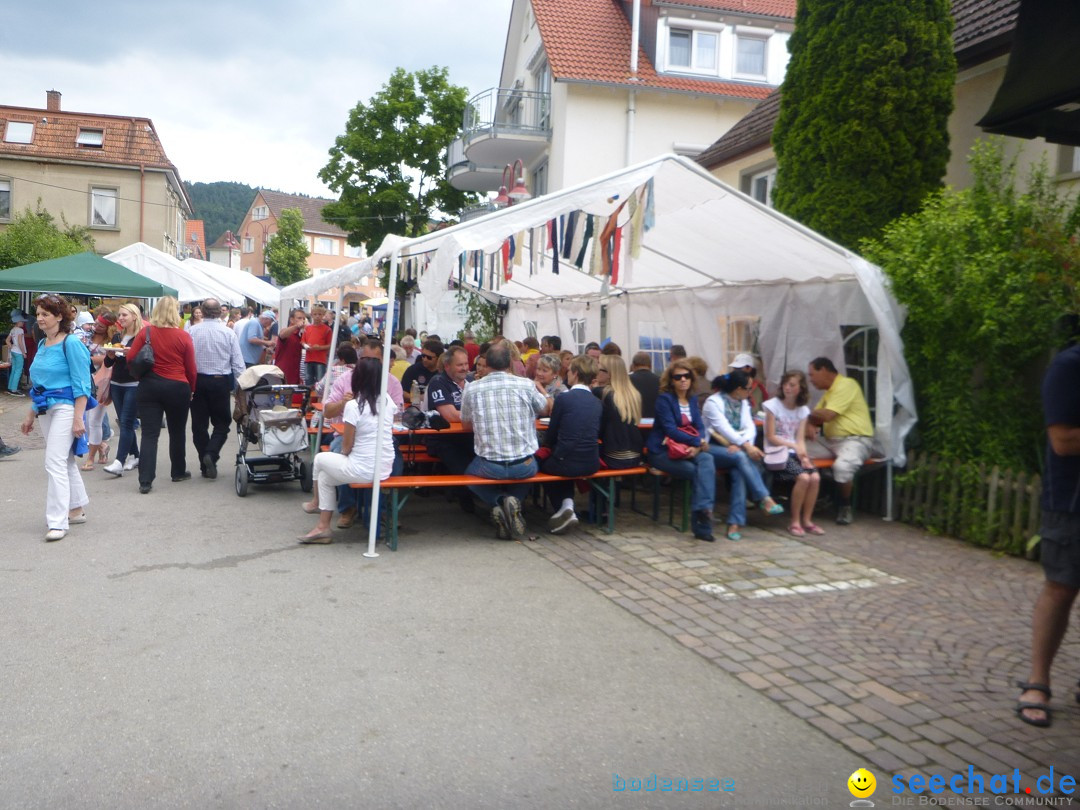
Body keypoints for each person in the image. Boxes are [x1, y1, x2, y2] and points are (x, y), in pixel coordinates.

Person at [1016, 344, 1080, 727]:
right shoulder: (1069, 366)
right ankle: (1037, 682)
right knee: (1061, 588)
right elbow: (1064, 441)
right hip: (1072, 503)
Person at [299, 357, 396, 544]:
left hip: (364, 469)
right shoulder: (387, 400)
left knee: (319, 459)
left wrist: (343, 457)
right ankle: (323, 527)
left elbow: (347, 445)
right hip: (384, 466)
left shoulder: (354, 405)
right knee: (326, 477)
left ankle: (316, 503)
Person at [19, 294, 92, 541]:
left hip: (65, 407)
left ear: (59, 317)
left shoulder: (71, 343)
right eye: (38, 314)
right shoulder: (42, 345)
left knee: (54, 462)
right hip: (44, 408)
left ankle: (58, 522)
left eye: (45, 314)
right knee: (65, 460)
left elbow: (82, 384)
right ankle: (77, 508)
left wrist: (79, 418)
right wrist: (30, 414)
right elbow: (38, 383)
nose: (39, 318)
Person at [461, 344, 552, 540]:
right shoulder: (526, 385)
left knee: (468, 476)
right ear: (510, 362)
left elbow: (466, 426)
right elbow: (545, 410)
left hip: (489, 466)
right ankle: (514, 502)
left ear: (485, 363)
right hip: (524, 465)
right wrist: (543, 392)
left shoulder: (472, 389)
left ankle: (499, 501)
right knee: (528, 472)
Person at [702, 371, 784, 541]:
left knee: (739, 471)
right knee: (741, 458)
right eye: (748, 389)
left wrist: (743, 445)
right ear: (738, 389)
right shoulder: (713, 402)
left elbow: (750, 427)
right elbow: (722, 428)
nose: (750, 392)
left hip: (736, 448)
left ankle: (735, 522)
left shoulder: (743, 402)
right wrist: (746, 446)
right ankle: (764, 497)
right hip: (711, 448)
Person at [128, 297, 197, 494]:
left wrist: (139, 373)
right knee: (177, 431)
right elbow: (191, 367)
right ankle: (178, 471)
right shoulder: (183, 336)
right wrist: (192, 388)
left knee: (150, 434)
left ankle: (145, 480)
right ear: (176, 313)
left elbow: (132, 357)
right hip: (177, 386)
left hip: (149, 385)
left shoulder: (146, 332)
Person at [645, 360, 716, 542]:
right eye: (678, 377)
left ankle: (703, 515)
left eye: (687, 376)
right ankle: (702, 520)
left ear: (692, 379)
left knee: (707, 461)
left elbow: (699, 426)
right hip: (662, 451)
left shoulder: (692, 399)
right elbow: (670, 430)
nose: (683, 380)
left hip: (688, 449)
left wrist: (696, 446)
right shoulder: (664, 400)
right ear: (672, 380)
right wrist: (697, 441)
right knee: (695, 471)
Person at [806, 357, 874, 525]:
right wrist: (809, 422)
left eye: (812, 374)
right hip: (831, 442)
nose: (810, 379)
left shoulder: (847, 385)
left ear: (824, 370)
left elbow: (827, 415)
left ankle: (845, 506)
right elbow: (816, 419)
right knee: (798, 451)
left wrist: (804, 415)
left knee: (842, 467)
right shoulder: (828, 393)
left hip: (855, 440)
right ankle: (822, 496)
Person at [539, 355, 602, 534]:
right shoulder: (597, 403)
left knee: (546, 465)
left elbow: (551, 435)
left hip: (566, 461)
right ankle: (567, 507)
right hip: (591, 462)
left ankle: (565, 507)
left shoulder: (564, 399)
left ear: (574, 373)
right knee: (562, 463)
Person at [188, 298, 245, 480]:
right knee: (222, 423)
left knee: (199, 425)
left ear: (202, 312)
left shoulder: (192, 332)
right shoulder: (228, 333)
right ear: (220, 312)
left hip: (197, 381)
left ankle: (205, 463)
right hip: (220, 381)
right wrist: (240, 389)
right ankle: (211, 455)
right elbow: (238, 364)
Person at [763, 370, 824, 537]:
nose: (787, 388)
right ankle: (795, 521)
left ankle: (807, 520)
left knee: (815, 477)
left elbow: (800, 438)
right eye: (785, 384)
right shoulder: (772, 406)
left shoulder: (802, 410)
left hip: (794, 452)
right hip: (778, 453)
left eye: (792, 385)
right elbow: (771, 436)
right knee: (804, 477)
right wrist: (793, 446)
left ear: (800, 388)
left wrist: (803, 455)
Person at [101, 304, 144, 476]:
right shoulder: (118, 335)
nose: (120, 318)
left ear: (134, 316)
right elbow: (108, 363)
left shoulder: (142, 336)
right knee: (123, 421)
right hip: (117, 383)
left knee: (126, 422)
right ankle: (136, 455)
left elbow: (146, 361)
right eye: (119, 315)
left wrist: (131, 354)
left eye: (124, 315)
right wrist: (110, 355)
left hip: (134, 384)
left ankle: (119, 461)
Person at [80, 309, 117, 470]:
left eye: (100, 325)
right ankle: (101, 446)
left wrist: (88, 358)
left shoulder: (112, 340)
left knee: (94, 420)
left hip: (102, 382)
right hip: (85, 381)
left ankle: (90, 457)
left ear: (108, 327)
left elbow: (108, 358)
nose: (96, 326)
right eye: (96, 323)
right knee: (85, 421)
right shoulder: (86, 336)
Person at [597, 354, 644, 470]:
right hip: (636, 455)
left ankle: (589, 488)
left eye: (599, 369)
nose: (596, 371)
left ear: (609, 374)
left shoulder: (602, 393)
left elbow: (598, 428)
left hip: (614, 456)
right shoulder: (634, 394)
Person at [401, 339, 443, 404]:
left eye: (429, 357)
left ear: (438, 358)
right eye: (423, 356)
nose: (425, 359)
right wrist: (419, 398)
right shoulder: (413, 370)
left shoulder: (443, 373)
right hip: (415, 407)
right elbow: (403, 392)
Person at [273, 307, 308, 385]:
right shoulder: (287, 332)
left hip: (295, 374)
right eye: (299, 318)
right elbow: (282, 334)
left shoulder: (301, 334)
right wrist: (296, 326)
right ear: (291, 320)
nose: (302, 320)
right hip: (283, 374)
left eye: (304, 318)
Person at [302, 305, 333, 386]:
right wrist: (306, 346)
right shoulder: (307, 328)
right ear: (312, 315)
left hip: (321, 360)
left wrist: (320, 347)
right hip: (309, 359)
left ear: (323, 315)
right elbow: (302, 341)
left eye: (319, 314)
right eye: (315, 314)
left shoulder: (327, 329)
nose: (317, 316)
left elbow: (330, 345)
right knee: (308, 381)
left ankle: (318, 398)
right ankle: (309, 398)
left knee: (320, 382)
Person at [629, 351, 660, 419]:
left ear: (633, 366)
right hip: (655, 423)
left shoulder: (627, 380)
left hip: (634, 423)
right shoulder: (660, 381)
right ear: (650, 366)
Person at [5, 309, 27, 396]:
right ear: (18, 321)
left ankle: (10, 387)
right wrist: (24, 353)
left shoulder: (13, 329)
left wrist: (12, 347)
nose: (23, 323)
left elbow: (7, 340)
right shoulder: (20, 331)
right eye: (22, 321)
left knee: (14, 370)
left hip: (13, 351)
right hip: (18, 352)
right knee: (18, 370)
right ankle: (14, 390)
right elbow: (20, 342)